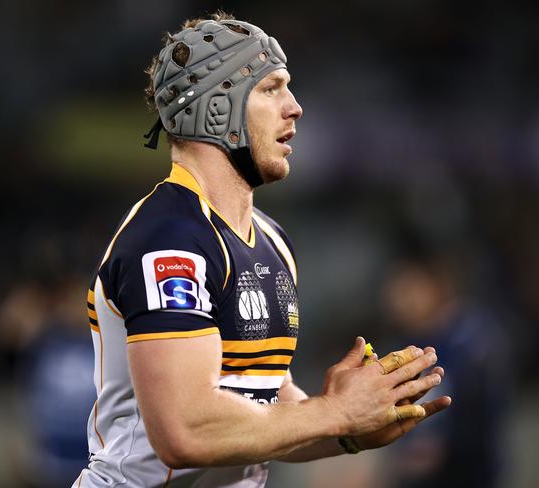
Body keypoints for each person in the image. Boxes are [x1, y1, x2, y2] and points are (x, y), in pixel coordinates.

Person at [73, 12, 451, 488]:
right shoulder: (169, 240)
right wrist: (334, 413)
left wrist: (350, 431)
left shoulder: (271, 240)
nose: (294, 107)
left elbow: (267, 410)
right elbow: (184, 432)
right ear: (216, 109)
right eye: (271, 88)